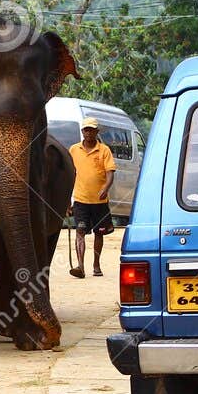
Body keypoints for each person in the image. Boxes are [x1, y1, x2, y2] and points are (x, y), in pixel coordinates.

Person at [68, 117, 117, 278]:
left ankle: (96, 264)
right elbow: (68, 175)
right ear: (82, 132)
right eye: (86, 129)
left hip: (99, 201)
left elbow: (110, 173)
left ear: (97, 132)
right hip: (81, 200)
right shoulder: (74, 150)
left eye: (91, 130)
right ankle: (80, 266)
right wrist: (68, 201)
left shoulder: (104, 150)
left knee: (99, 232)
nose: (88, 132)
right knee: (80, 231)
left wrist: (106, 188)